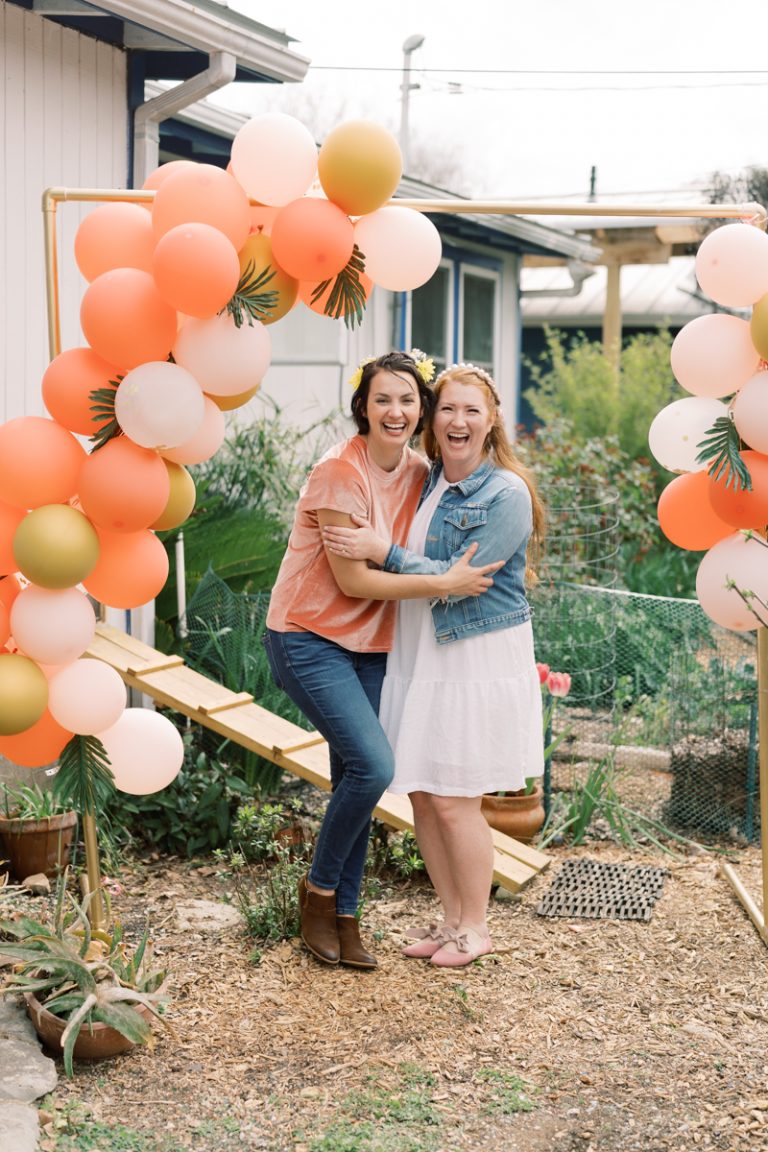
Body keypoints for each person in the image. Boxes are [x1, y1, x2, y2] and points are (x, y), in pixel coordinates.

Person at [262, 351, 503, 972]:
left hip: (371, 646)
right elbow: (354, 579)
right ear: (362, 408)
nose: (395, 412)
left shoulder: (421, 469)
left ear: (419, 410)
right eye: (382, 400)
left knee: (355, 779)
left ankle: (347, 917)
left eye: (407, 401)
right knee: (374, 768)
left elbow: (419, 540)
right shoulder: (340, 473)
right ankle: (317, 897)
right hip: (308, 636)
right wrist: (443, 584)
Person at [322, 362, 546, 968]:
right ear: (430, 416)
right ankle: (449, 922)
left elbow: (461, 584)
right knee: (422, 794)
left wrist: (382, 551)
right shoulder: (426, 482)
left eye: (472, 410)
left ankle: (476, 925)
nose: (458, 421)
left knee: (456, 799)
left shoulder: (506, 494)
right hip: (420, 650)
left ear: (493, 419)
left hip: (473, 654)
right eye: (447, 408)